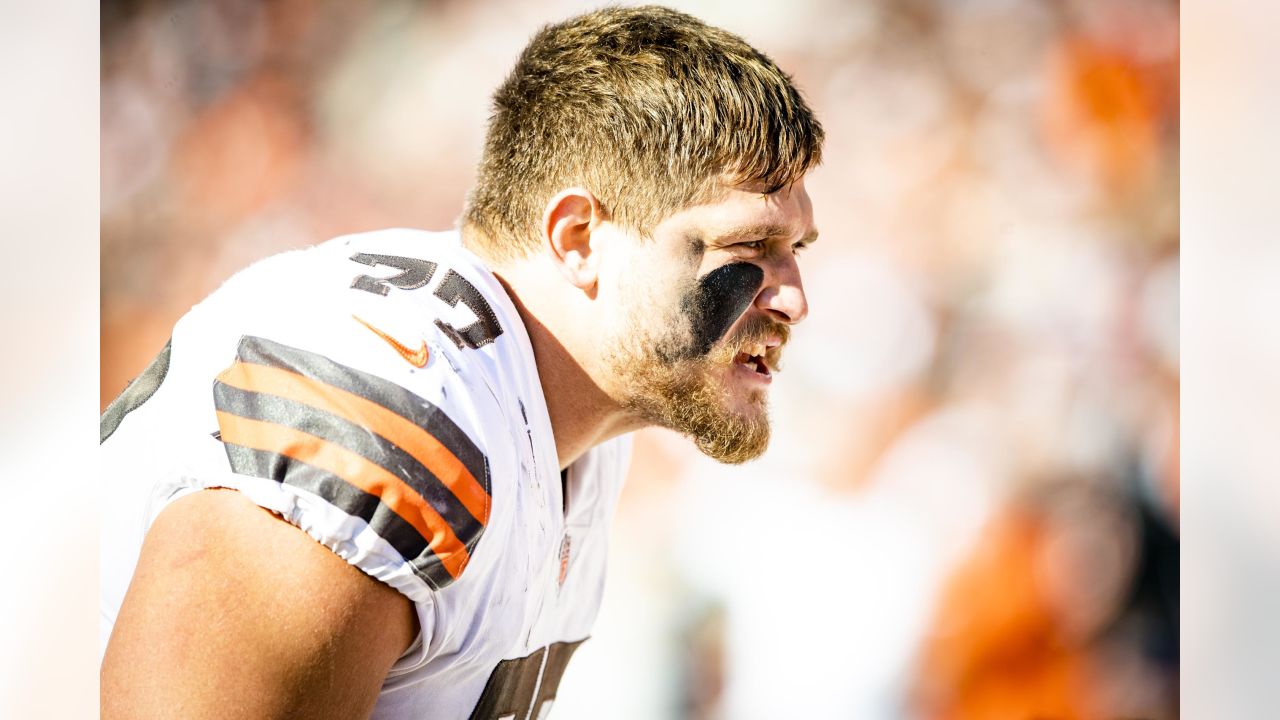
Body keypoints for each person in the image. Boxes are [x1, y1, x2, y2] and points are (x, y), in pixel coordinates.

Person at [99, 5, 823, 719]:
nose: (793, 297)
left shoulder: (573, 421)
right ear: (578, 239)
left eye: (796, 251)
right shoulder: (388, 413)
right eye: (749, 250)